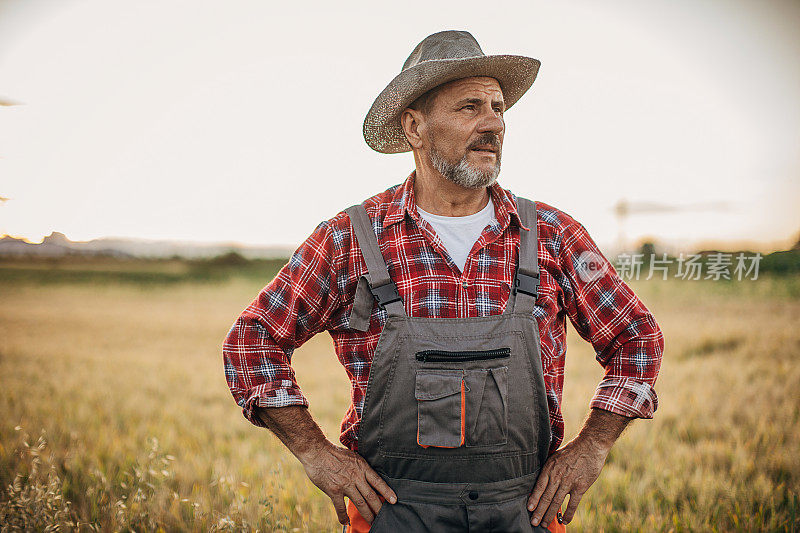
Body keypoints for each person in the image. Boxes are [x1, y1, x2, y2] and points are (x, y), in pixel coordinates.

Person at [222, 30, 664, 532]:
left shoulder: (551, 236)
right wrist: (316, 454)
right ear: (414, 126)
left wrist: (593, 444)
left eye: (499, 108)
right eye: (470, 107)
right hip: (393, 510)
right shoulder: (351, 237)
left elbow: (638, 337)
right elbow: (251, 342)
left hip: (524, 510)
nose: (493, 123)